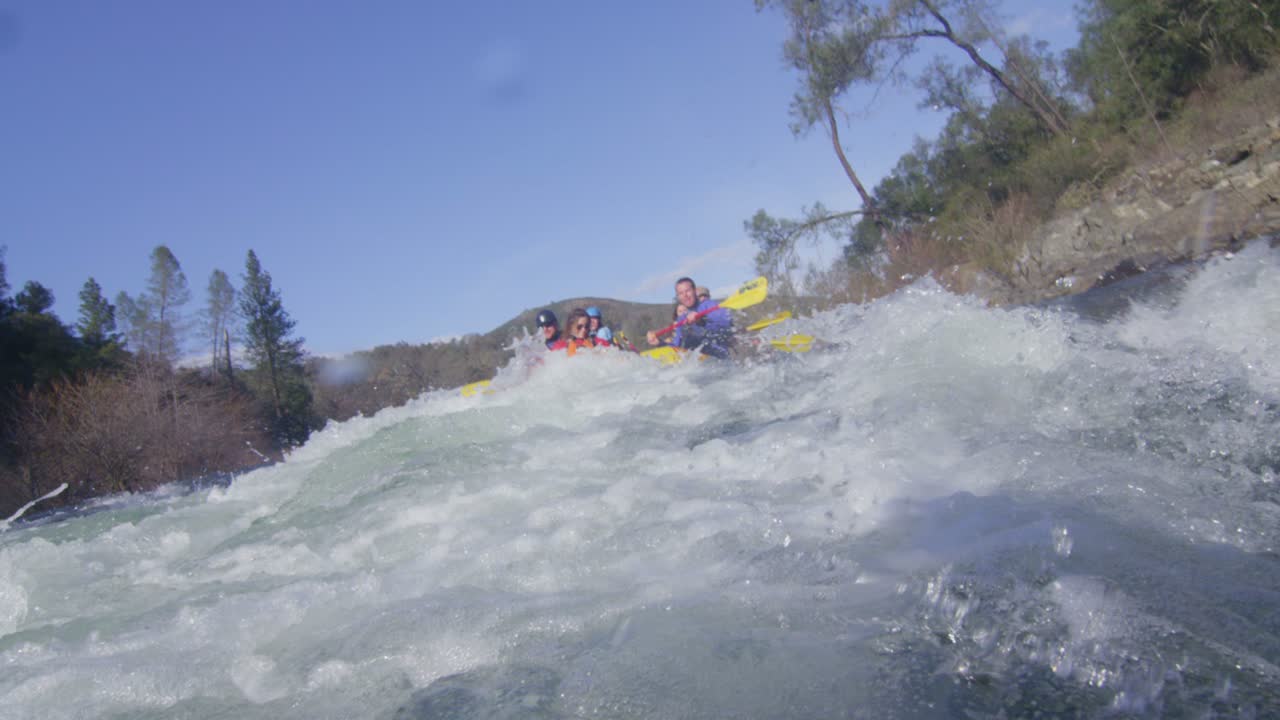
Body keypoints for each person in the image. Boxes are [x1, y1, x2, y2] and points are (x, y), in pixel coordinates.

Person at [646, 277, 733, 358]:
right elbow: (678, 348)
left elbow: (726, 326)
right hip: (701, 364)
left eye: (687, 291)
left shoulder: (709, 305)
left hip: (720, 359)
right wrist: (660, 343)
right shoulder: (682, 319)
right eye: (680, 293)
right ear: (678, 297)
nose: (685, 295)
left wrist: (702, 321)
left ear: (694, 291)